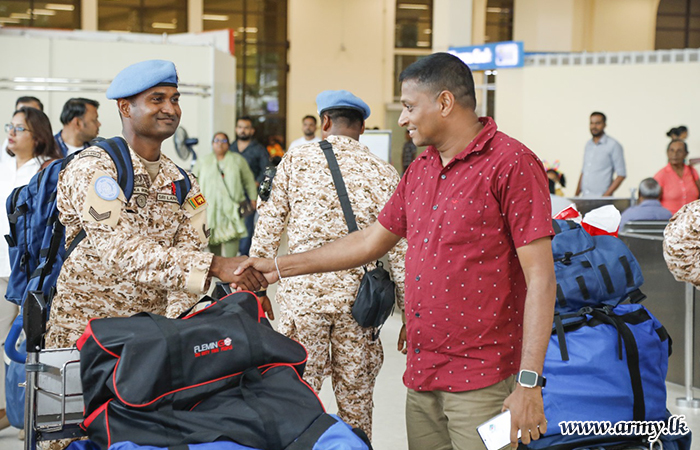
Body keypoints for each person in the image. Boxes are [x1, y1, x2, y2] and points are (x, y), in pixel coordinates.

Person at [237, 52, 556, 450]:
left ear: (444, 102)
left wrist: (529, 382)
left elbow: (541, 278)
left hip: (482, 379)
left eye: (408, 106)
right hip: (423, 375)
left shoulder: (511, 163)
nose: (402, 119)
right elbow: (369, 241)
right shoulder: (418, 171)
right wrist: (277, 266)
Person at [46, 59, 267, 353]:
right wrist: (216, 265)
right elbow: (118, 250)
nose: (170, 109)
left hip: (149, 343)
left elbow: (187, 264)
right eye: (157, 99)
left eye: (175, 99)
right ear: (125, 108)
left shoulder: (183, 183)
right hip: (85, 338)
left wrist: (179, 326)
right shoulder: (94, 168)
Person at [249, 90, 406, 439]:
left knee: (297, 395)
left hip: (304, 300)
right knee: (356, 402)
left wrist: (256, 290)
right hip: (362, 305)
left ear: (324, 122)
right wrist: (409, 315)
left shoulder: (295, 160)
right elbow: (400, 250)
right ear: (362, 127)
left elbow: (269, 226)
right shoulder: (384, 172)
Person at [0, 107, 61, 432]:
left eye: (19, 128)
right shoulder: (3, 165)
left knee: (31, 344)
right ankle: (8, 407)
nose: (11, 133)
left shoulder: (49, 170)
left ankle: (27, 412)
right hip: (1, 267)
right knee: (4, 343)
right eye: (9, 126)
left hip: (31, 273)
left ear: (37, 136)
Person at [193, 132, 257, 257]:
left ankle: (231, 266)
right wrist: (194, 207)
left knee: (232, 238)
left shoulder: (238, 160)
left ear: (228, 144)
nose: (220, 144)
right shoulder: (203, 161)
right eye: (216, 140)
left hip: (232, 207)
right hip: (210, 209)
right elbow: (193, 185)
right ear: (212, 144)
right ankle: (217, 265)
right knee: (212, 240)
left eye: (223, 141)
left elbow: (249, 180)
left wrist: (253, 198)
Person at [229, 116, 269, 256]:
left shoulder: (259, 149)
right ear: (236, 129)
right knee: (231, 221)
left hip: (249, 192)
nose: (243, 130)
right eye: (240, 127)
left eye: (246, 128)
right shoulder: (231, 148)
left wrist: (256, 182)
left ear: (252, 131)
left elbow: (267, 169)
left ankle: (244, 255)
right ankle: (231, 253)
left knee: (247, 223)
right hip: (231, 192)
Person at [575, 112, 626, 197]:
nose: (594, 126)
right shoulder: (588, 144)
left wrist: (605, 196)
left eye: (598, 123)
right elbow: (584, 171)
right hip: (585, 197)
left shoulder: (613, 145)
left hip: (601, 199)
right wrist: (576, 196)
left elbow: (621, 174)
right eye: (591, 123)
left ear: (605, 125)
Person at [654, 139, 699, 214]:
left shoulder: (692, 172)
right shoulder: (661, 175)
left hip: (692, 219)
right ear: (667, 153)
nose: (675, 154)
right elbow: (654, 203)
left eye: (679, 151)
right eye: (672, 150)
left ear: (686, 154)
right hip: (670, 219)